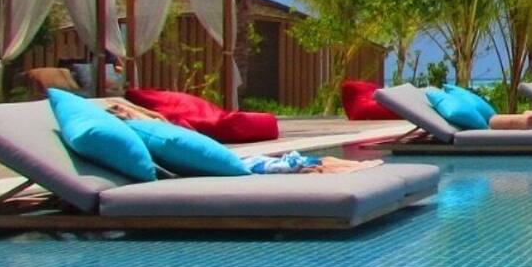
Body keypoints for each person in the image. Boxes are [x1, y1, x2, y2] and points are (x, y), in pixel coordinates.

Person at [104, 100, 382, 175]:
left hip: (225, 161)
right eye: (120, 110)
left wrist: (135, 109)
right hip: (231, 168)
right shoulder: (154, 136)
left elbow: (159, 119)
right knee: (303, 164)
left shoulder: (152, 129)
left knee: (313, 163)